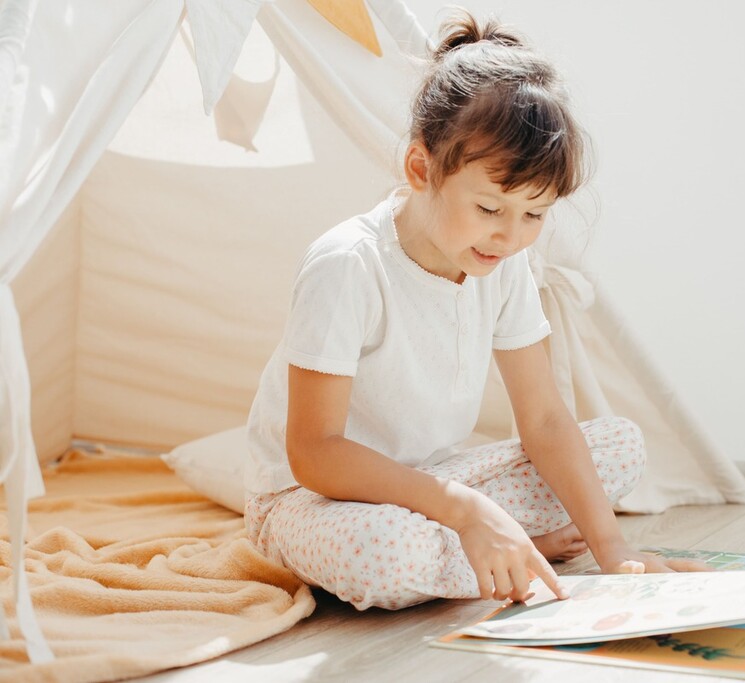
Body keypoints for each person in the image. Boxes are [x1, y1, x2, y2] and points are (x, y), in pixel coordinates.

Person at [244, 9, 705, 611]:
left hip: (433, 478)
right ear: (420, 169)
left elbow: (542, 419)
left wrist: (614, 549)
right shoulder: (348, 264)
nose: (510, 237)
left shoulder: (504, 264)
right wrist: (464, 508)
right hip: (309, 499)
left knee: (620, 446)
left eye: (534, 215)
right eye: (490, 209)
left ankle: (489, 548)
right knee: (391, 552)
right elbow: (314, 452)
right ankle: (499, 548)